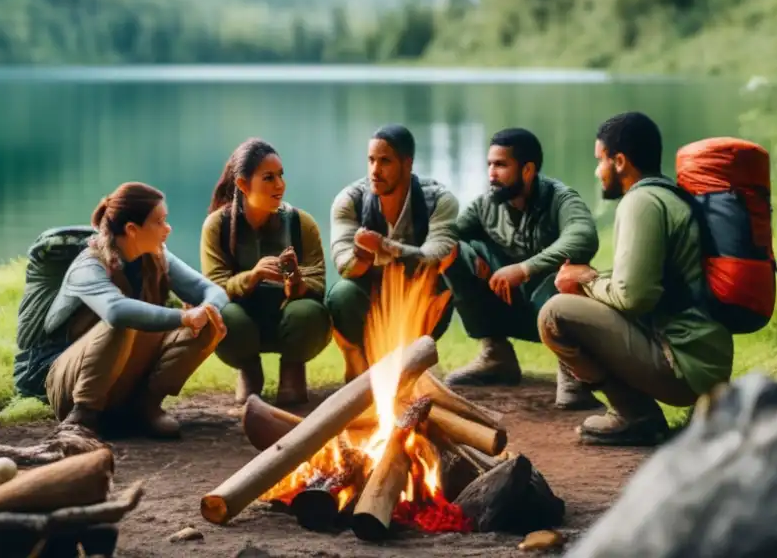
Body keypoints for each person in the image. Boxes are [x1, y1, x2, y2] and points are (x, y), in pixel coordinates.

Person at [538, 112, 734, 446]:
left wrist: (586, 278)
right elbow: (648, 287)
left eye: (599, 160)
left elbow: (635, 297)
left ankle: (634, 414)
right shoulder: (666, 194)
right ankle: (638, 414)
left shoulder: (640, 202)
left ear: (620, 161)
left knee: (554, 313)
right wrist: (590, 283)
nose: (597, 171)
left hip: (682, 366)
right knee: (577, 301)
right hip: (704, 359)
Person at [14, 182, 228, 439]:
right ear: (132, 229)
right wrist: (183, 317)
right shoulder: (88, 265)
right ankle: (83, 416)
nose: (168, 228)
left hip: (121, 373)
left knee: (210, 325)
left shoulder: (157, 256)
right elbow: (116, 311)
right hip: (66, 380)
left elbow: (215, 292)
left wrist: (206, 311)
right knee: (124, 321)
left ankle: (145, 407)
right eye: (159, 222)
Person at [441, 128, 602, 409]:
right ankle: (496, 356)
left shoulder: (561, 198)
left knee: (570, 275)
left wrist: (525, 269)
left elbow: (584, 237)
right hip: (504, 304)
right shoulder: (485, 204)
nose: (491, 173)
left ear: (528, 170)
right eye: (489, 165)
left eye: (501, 165)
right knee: (453, 254)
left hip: (550, 309)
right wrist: (467, 253)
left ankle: (573, 375)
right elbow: (446, 237)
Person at [200, 138, 332, 407]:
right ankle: (249, 370)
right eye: (269, 178)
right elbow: (214, 287)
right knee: (221, 317)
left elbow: (318, 282)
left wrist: (295, 280)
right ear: (243, 185)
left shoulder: (301, 223)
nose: (280, 185)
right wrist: (254, 275)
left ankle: (293, 369)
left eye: (281, 176)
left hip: (289, 317)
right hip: (243, 322)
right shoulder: (217, 225)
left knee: (309, 313)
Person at [326, 124, 459, 380]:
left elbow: (438, 254)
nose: (375, 170)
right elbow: (344, 265)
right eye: (371, 160)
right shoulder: (349, 200)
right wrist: (362, 255)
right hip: (370, 295)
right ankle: (358, 357)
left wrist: (385, 247)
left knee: (447, 281)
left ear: (407, 164)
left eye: (385, 161)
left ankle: (415, 358)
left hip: (416, 296)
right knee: (342, 294)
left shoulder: (440, 200)